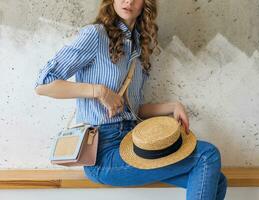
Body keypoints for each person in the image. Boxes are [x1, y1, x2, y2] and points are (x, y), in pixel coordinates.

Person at [34, 0, 227, 199]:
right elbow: (43, 85)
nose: (129, 1)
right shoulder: (95, 35)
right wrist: (99, 91)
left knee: (218, 179)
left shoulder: (138, 45)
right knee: (207, 155)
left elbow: (133, 110)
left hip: (134, 142)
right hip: (102, 153)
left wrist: (173, 106)